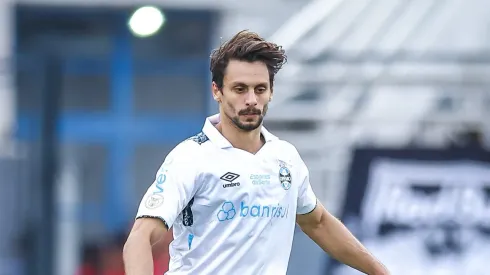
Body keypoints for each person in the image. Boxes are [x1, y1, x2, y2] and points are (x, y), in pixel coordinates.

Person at [123, 30, 390, 275]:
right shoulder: (190, 157)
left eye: (259, 89)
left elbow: (317, 222)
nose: (251, 99)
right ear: (217, 91)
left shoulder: (285, 157)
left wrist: (380, 271)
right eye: (240, 89)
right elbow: (140, 238)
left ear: (271, 92)